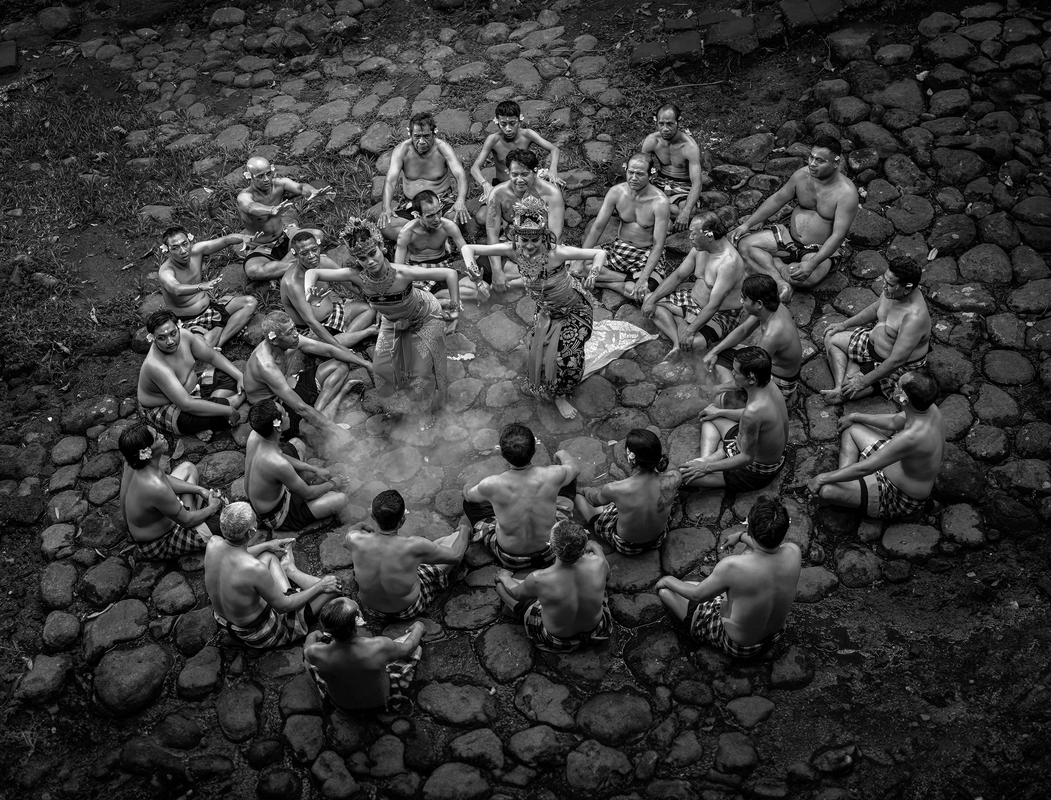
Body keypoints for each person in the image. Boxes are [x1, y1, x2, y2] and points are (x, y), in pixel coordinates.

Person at [462, 196, 603, 419]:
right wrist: (476, 276)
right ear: (516, 236)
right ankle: (549, 387)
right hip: (546, 310)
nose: (528, 246)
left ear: (544, 236)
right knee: (540, 353)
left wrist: (593, 275)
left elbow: (599, 253)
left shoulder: (557, 253)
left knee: (568, 358)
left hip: (574, 309)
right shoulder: (512, 250)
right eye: (524, 240)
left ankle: (561, 395)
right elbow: (468, 249)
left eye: (535, 240)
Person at [305, 217, 459, 410]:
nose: (369, 262)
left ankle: (437, 403)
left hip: (424, 316)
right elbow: (312, 273)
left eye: (372, 253)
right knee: (381, 373)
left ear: (381, 246)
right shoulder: (357, 276)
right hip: (393, 321)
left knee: (424, 372)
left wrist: (454, 310)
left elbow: (450, 274)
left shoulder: (402, 273)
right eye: (362, 259)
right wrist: (309, 292)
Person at [656, 496, 800, 659]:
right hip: (775, 635)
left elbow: (697, 594)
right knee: (746, 555)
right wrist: (739, 536)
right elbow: (768, 551)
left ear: (750, 529)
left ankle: (703, 629)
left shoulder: (733, 567)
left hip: (740, 646)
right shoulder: (794, 552)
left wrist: (667, 580)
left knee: (668, 592)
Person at [732, 136, 859, 301]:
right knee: (745, 245)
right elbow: (777, 199)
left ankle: (774, 265)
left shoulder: (846, 193)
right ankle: (780, 282)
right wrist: (747, 225)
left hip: (818, 249)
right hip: (788, 238)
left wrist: (812, 263)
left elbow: (838, 235)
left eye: (820, 160)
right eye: (811, 157)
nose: (812, 163)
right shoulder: (801, 176)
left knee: (807, 277)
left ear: (835, 163)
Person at [808, 369, 944, 519]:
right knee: (852, 430)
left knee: (826, 490)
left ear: (904, 398)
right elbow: (894, 421)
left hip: (897, 493)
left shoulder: (911, 437)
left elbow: (866, 467)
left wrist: (822, 478)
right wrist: (855, 416)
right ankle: (849, 483)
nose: (894, 385)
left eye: (898, 386)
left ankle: (849, 488)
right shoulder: (929, 408)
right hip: (891, 464)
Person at [205, 502, 341, 649]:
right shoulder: (255, 569)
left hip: (225, 623)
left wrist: (267, 545)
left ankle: (288, 569)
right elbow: (284, 607)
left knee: (267, 556)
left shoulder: (213, 543)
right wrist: (321, 586)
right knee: (334, 588)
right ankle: (292, 572)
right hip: (257, 632)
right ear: (251, 532)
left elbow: (234, 554)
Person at [461, 422, 580, 569]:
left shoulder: (490, 484)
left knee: (470, 504)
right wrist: (562, 454)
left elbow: (468, 496)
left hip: (511, 557)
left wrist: (468, 485)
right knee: (568, 479)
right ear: (534, 449)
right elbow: (574, 469)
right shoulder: (553, 474)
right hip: (552, 548)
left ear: (502, 453)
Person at [243, 311, 370, 440]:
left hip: (287, 386)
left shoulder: (292, 340)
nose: (295, 335)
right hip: (273, 405)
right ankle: (334, 402)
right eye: (289, 333)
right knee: (309, 431)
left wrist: (366, 364)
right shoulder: (266, 364)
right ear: (275, 341)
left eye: (294, 328)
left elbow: (329, 350)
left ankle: (317, 411)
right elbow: (300, 408)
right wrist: (336, 430)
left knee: (341, 365)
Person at [344, 490, 470, 620]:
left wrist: (360, 525)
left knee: (427, 551)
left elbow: (350, 533)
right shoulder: (414, 546)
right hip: (407, 609)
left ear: (372, 515)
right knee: (452, 540)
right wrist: (465, 530)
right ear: (403, 520)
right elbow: (456, 556)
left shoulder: (355, 539)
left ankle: (432, 552)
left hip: (371, 608)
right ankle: (442, 547)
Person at [820, 259, 930, 405]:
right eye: (884, 280)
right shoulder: (892, 292)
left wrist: (862, 382)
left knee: (848, 390)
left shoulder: (914, 318)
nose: (884, 286)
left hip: (894, 364)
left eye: (890, 285)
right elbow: (875, 309)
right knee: (830, 336)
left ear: (907, 288)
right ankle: (839, 385)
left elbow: (897, 360)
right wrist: (844, 324)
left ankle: (864, 381)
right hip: (872, 345)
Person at [494, 520, 613, 653]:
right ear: (583, 545)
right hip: (597, 629)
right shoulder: (599, 563)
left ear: (552, 547)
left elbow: (516, 594)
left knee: (500, 586)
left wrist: (505, 578)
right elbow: (607, 575)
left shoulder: (538, 578)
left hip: (558, 639)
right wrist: (596, 546)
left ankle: (522, 613)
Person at [682, 346, 789, 492]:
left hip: (753, 472)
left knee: (682, 476)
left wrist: (705, 467)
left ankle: (705, 463)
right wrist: (720, 412)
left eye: (736, 372)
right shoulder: (768, 384)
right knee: (709, 415)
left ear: (751, 378)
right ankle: (711, 457)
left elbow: (746, 457)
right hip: (768, 452)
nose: (732, 373)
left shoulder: (753, 413)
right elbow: (755, 416)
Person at [642, 211, 744, 359]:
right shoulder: (699, 250)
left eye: (694, 234)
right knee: (649, 300)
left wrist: (690, 331)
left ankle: (681, 328)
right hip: (691, 300)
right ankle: (678, 341)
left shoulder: (728, 263)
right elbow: (678, 276)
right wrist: (651, 301)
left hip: (720, 314)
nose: (690, 238)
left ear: (709, 235)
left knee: (696, 343)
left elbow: (714, 305)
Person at [118, 423, 222, 560]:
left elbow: (163, 478)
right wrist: (213, 506)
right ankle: (194, 516)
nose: (162, 436)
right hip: (158, 541)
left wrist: (200, 490)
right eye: (156, 438)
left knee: (188, 468)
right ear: (146, 452)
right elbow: (186, 521)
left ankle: (190, 510)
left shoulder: (133, 462)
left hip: (155, 514)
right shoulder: (154, 487)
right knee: (222, 523)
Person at [137, 309, 245, 439]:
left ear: (178, 327)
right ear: (153, 339)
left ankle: (211, 405)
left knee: (229, 376)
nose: (170, 341)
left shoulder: (185, 336)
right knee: (218, 417)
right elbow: (186, 404)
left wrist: (240, 377)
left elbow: (212, 357)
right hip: (166, 406)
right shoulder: (156, 366)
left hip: (193, 386)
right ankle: (228, 402)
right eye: (162, 338)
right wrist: (229, 410)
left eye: (173, 333)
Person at [245, 400, 349, 533]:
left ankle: (299, 483)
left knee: (297, 444)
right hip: (278, 513)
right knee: (340, 500)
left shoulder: (255, 435)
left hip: (268, 493)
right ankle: (299, 490)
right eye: (285, 414)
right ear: (277, 427)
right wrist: (333, 483)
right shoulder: (276, 463)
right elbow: (308, 494)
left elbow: (280, 455)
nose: (288, 413)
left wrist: (312, 468)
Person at [304, 598, 425, 711]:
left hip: (343, 703)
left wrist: (312, 635)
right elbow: (409, 648)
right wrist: (418, 627)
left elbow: (306, 651)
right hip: (379, 701)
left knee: (310, 664)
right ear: (357, 618)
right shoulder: (379, 646)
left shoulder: (315, 652)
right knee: (416, 649)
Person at [580, 153, 672, 301]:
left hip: (645, 254)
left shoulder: (659, 202)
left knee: (642, 292)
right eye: (631, 172)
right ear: (626, 170)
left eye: (640, 174)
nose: (634, 178)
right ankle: (626, 279)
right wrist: (579, 260)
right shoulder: (616, 192)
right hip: (618, 249)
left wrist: (643, 277)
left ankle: (606, 282)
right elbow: (598, 227)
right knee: (578, 264)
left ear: (651, 175)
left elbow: (658, 245)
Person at [574, 429, 682, 555]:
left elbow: (594, 501)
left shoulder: (616, 488)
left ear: (631, 458)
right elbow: (673, 468)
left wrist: (583, 489)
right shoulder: (673, 479)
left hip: (627, 545)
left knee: (578, 498)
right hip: (659, 538)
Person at [704, 274, 804, 401]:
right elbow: (744, 330)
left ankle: (734, 392)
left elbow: (752, 375)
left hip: (779, 382)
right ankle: (732, 384)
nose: (741, 302)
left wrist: (716, 389)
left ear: (759, 303)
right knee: (720, 352)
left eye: (744, 299)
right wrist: (714, 351)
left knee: (723, 401)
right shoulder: (770, 308)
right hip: (764, 365)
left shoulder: (772, 335)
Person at [157, 226, 258, 351]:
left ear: (190, 242)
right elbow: (176, 289)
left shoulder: (197, 251)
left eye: (184, 244)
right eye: (175, 248)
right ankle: (217, 335)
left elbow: (225, 240)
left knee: (250, 302)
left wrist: (243, 237)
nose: (182, 251)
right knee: (204, 344)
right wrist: (201, 286)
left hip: (211, 309)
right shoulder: (166, 271)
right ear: (168, 251)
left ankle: (219, 343)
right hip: (188, 320)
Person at [482, 148, 566, 292]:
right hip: (511, 245)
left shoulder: (551, 193)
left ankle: (520, 280)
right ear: (508, 172)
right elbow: (492, 234)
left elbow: (554, 237)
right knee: (485, 267)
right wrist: (497, 270)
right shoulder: (497, 194)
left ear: (535, 171)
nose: (519, 180)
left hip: (541, 247)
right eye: (514, 174)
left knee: (555, 266)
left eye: (525, 174)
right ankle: (531, 279)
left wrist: (536, 259)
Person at [377, 112, 470, 241]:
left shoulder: (443, 148)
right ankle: (433, 238)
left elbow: (460, 176)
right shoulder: (402, 150)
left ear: (434, 133)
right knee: (385, 226)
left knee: (458, 218)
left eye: (426, 136)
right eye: (417, 136)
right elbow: (390, 181)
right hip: (412, 205)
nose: (421, 141)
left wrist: (460, 201)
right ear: (410, 134)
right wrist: (385, 207)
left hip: (440, 204)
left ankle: (417, 236)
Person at [237, 156, 329, 282]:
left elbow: (300, 187)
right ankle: (300, 264)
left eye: (268, 174)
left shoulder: (279, 184)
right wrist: (271, 210)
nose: (266, 179)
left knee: (317, 235)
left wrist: (312, 191)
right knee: (254, 271)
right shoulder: (244, 195)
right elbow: (251, 207)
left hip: (284, 236)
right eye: (260, 176)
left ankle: (282, 268)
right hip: (262, 247)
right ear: (249, 176)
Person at [280, 230, 377, 348]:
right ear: (295, 254)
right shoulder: (292, 283)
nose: (311, 256)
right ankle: (365, 334)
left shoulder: (325, 262)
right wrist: (339, 347)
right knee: (331, 345)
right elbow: (311, 321)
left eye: (314, 250)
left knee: (369, 310)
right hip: (310, 329)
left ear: (318, 247)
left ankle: (346, 339)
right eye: (304, 253)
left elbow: (351, 285)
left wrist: (376, 300)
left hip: (333, 313)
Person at [394, 190, 489, 309]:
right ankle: (439, 298)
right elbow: (398, 267)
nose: (437, 219)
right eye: (430, 216)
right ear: (417, 215)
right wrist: (410, 282)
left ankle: (435, 297)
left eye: (438, 212)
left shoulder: (448, 226)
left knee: (485, 288)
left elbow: (465, 252)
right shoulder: (407, 233)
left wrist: (476, 277)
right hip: (420, 274)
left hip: (445, 270)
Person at [472, 101, 562, 227]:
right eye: (503, 124)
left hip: (526, 182)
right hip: (503, 185)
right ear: (497, 122)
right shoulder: (493, 140)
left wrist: (553, 170)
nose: (508, 128)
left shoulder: (527, 134)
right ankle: (506, 224)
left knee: (552, 191)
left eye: (512, 123)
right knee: (482, 218)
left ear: (520, 120)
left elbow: (554, 149)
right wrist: (485, 184)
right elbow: (475, 167)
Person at [639, 103, 704, 232]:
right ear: (656, 122)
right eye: (661, 124)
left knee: (689, 212)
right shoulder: (652, 140)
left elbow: (697, 183)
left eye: (670, 124)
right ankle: (665, 214)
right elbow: (642, 168)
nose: (665, 129)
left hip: (683, 186)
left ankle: (657, 212)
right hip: (660, 182)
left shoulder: (689, 146)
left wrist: (685, 212)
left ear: (678, 122)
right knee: (673, 210)